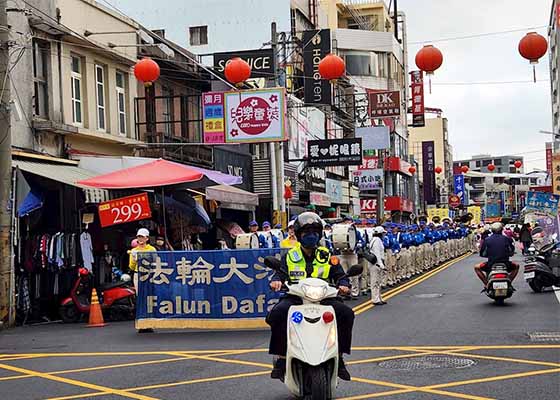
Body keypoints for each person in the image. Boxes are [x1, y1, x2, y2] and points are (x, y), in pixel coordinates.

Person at [266, 212, 354, 381]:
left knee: (346, 314)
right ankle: (281, 359)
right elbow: (279, 274)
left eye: (314, 232)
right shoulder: (290, 256)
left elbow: (340, 275)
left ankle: (340, 357)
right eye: (307, 233)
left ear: (319, 234)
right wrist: (276, 281)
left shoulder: (327, 255)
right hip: (296, 297)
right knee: (277, 314)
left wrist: (344, 284)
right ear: (299, 235)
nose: (311, 236)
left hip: (324, 297)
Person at [474, 222, 519, 287]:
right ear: (501, 230)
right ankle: (509, 281)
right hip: (506, 264)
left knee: (476, 267)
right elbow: (511, 251)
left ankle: (486, 284)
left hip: (491, 264)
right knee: (517, 266)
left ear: (492, 230)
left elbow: (482, 253)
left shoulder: (487, 240)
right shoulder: (507, 239)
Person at [368, 227, 387, 305]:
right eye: (383, 233)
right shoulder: (376, 241)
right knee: (375, 281)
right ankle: (375, 299)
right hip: (376, 263)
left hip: (377, 263)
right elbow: (377, 253)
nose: (384, 235)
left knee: (378, 282)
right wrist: (381, 264)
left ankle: (379, 297)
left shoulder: (376, 240)